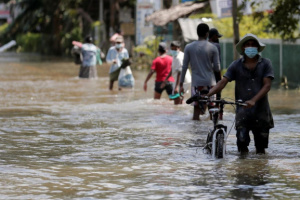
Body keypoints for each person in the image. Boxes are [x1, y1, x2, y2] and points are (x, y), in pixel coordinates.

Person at [205, 33, 274, 154]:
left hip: (261, 112)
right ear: (243, 48)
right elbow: (223, 82)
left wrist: (253, 100)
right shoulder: (236, 65)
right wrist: (208, 94)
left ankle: (260, 171)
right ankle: (243, 171)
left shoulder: (266, 63)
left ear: (257, 47)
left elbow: (267, 85)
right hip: (242, 113)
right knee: (242, 146)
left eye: (253, 45)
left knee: (261, 149)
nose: (250, 47)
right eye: (248, 44)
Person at [180, 23, 221, 120]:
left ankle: (196, 134)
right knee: (212, 112)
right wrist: (220, 82)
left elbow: (184, 67)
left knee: (196, 113)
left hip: (196, 84)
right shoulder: (213, 48)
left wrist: (181, 84)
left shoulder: (189, 47)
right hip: (211, 84)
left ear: (197, 33)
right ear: (207, 34)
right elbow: (217, 68)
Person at [209, 28, 223, 118]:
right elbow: (217, 64)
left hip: (203, 76)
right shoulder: (216, 45)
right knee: (217, 97)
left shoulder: (203, 45)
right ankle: (218, 115)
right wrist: (220, 78)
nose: (218, 38)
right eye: (217, 36)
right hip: (214, 75)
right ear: (214, 36)